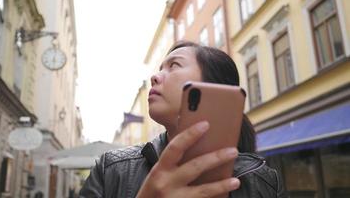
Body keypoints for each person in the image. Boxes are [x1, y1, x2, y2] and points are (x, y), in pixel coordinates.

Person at [79, 41, 287, 197]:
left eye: (174, 65)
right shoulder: (112, 169)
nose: (155, 76)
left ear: (212, 87)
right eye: (160, 68)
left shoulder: (260, 180)